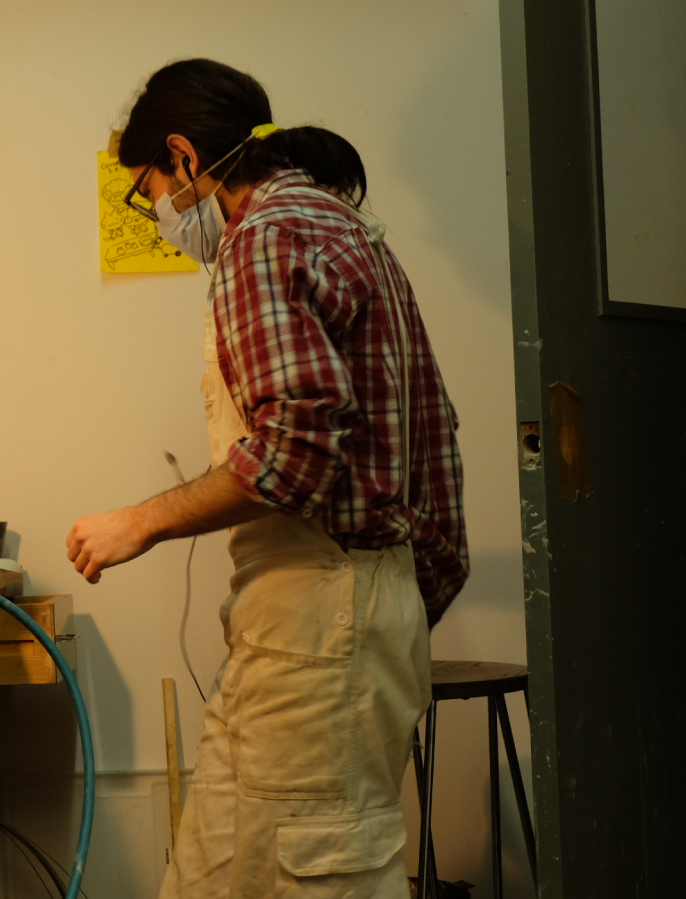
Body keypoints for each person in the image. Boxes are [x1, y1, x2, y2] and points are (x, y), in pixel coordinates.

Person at [66, 59, 469, 898]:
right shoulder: (345, 228)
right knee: (212, 878)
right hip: (323, 618)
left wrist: (139, 522)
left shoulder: (264, 237)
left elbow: (296, 450)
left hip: (321, 620)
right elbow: (435, 442)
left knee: (318, 879)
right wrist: (397, 598)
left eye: (152, 191)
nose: (163, 216)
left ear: (183, 157)